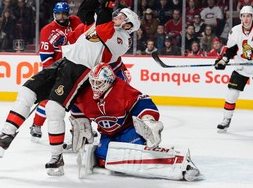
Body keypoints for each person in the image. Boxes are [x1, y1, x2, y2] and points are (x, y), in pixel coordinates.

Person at [0, 0, 140, 176]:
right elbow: (85, 10)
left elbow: (103, 28)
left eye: (123, 16)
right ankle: (6, 135)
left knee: (54, 108)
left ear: (128, 25)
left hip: (81, 70)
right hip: (64, 62)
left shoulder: (122, 39)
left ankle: (56, 158)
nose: (118, 16)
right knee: (27, 91)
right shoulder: (99, 22)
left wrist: (108, 1)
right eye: (119, 13)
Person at [69, 62, 200, 181]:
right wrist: (80, 122)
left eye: (98, 83)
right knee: (103, 157)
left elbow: (142, 103)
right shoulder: (85, 95)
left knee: (138, 152)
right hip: (107, 135)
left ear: (108, 81)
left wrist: (148, 119)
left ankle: (178, 163)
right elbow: (75, 105)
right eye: (93, 82)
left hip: (128, 130)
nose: (95, 87)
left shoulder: (121, 89)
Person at [29, 1, 82, 140]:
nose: (62, 17)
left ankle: (79, 129)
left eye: (64, 14)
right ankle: (36, 125)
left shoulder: (76, 22)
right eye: (59, 14)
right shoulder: (48, 30)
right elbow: (46, 57)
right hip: (56, 69)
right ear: (54, 14)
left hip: (76, 67)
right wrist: (54, 74)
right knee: (49, 100)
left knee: (79, 100)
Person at [215, 6, 253, 131]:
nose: (246, 19)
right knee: (232, 94)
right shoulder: (235, 30)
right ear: (240, 17)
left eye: (248, 16)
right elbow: (230, 49)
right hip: (241, 66)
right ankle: (226, 119)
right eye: (243, 16)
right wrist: (223, 60)